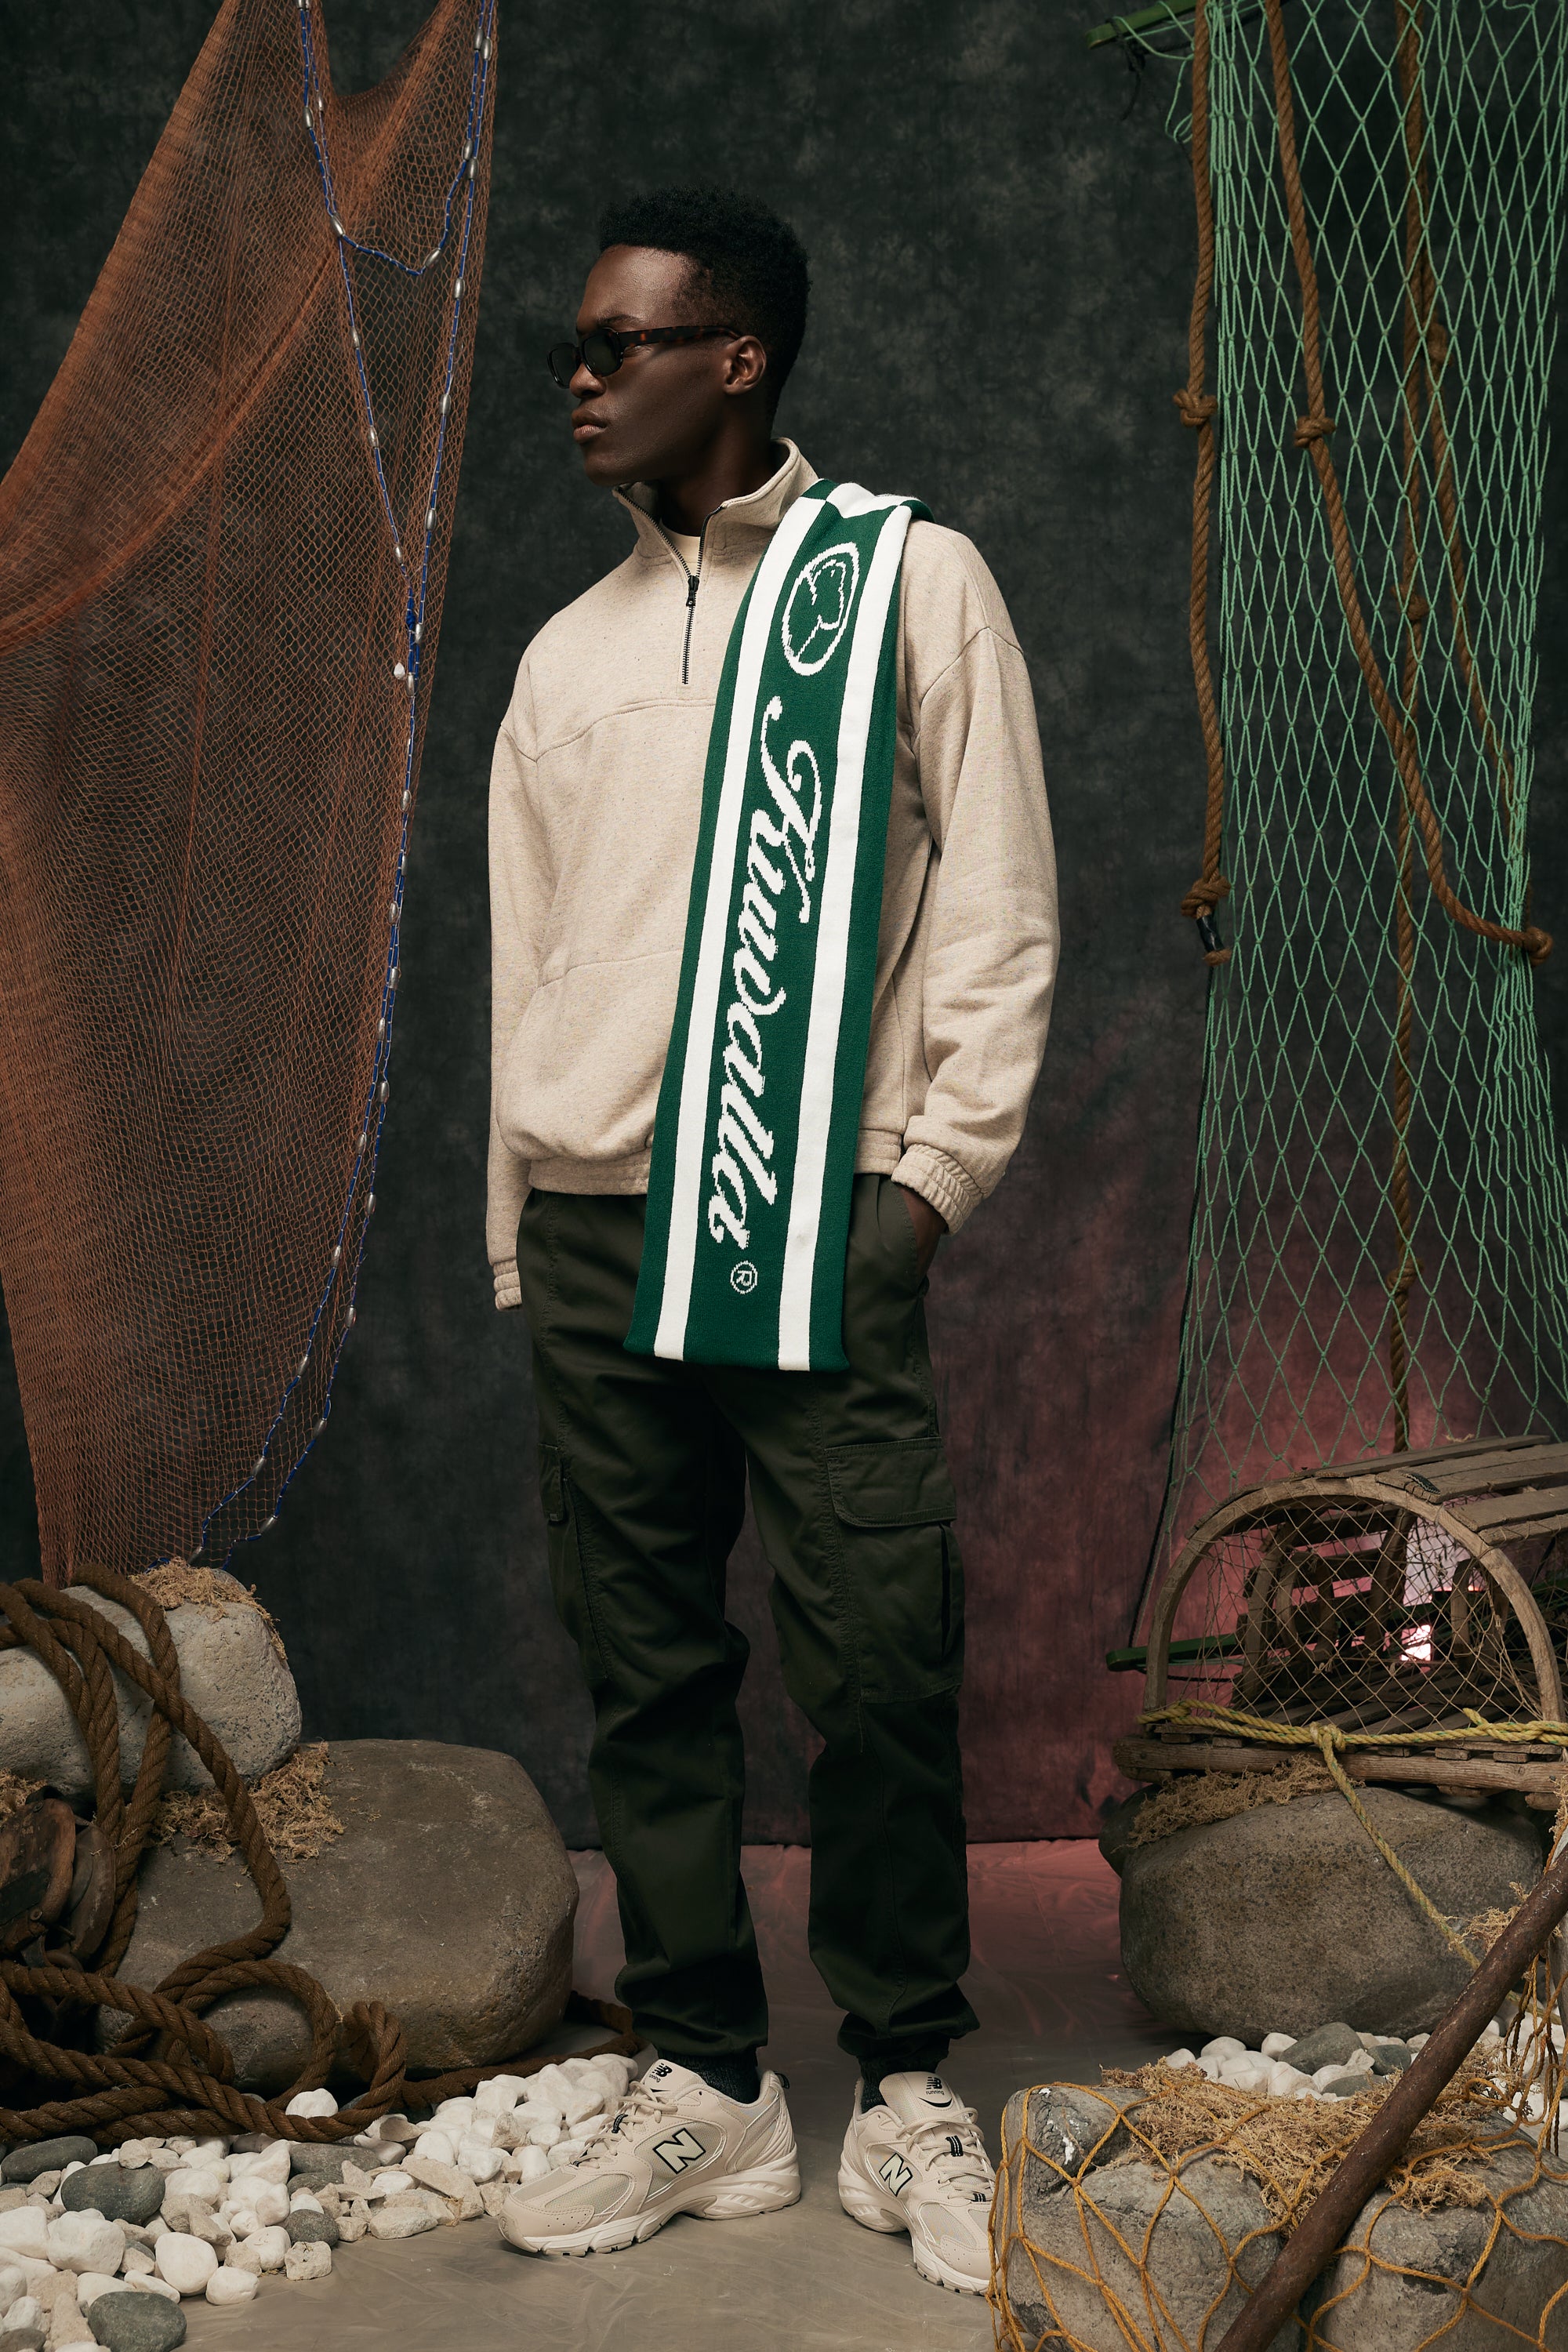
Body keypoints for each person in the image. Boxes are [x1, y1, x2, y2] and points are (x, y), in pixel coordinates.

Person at [487, 186, 1057, 2296]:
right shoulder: (564, 656)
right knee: (648, 1677)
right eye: (572, 347)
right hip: (593, 1238)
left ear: (735, 358)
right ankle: (708, 2084)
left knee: (878, 1660)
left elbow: (997, 907)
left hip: (808, 1223)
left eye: (616, 345)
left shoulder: (906, 581)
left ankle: (904, 2084)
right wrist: (517, 1235)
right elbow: (528, 964)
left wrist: (925, 1191)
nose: (578, 379)